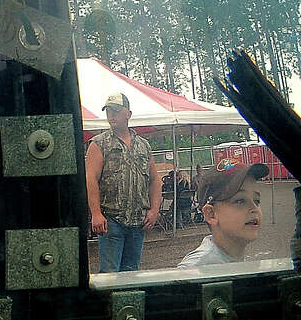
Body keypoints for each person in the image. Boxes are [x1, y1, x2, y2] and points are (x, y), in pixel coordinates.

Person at [86, 93, 161, 272]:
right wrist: (96, 213)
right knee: (110, 274)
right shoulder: (98, 143)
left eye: (116, 111)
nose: (111, 115)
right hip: (111, 220)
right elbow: (91, 179)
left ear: (128, 114)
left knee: (132, 273)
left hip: (138, 221)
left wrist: (154, 210)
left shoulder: (144, 145)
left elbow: (155, 180)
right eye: (109, 110)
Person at [178, 160, 267, 268]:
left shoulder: (227, 259)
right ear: (211, 214)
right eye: (240, 201)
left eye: (257, 200)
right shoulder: (196, 268)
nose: (254, 208)